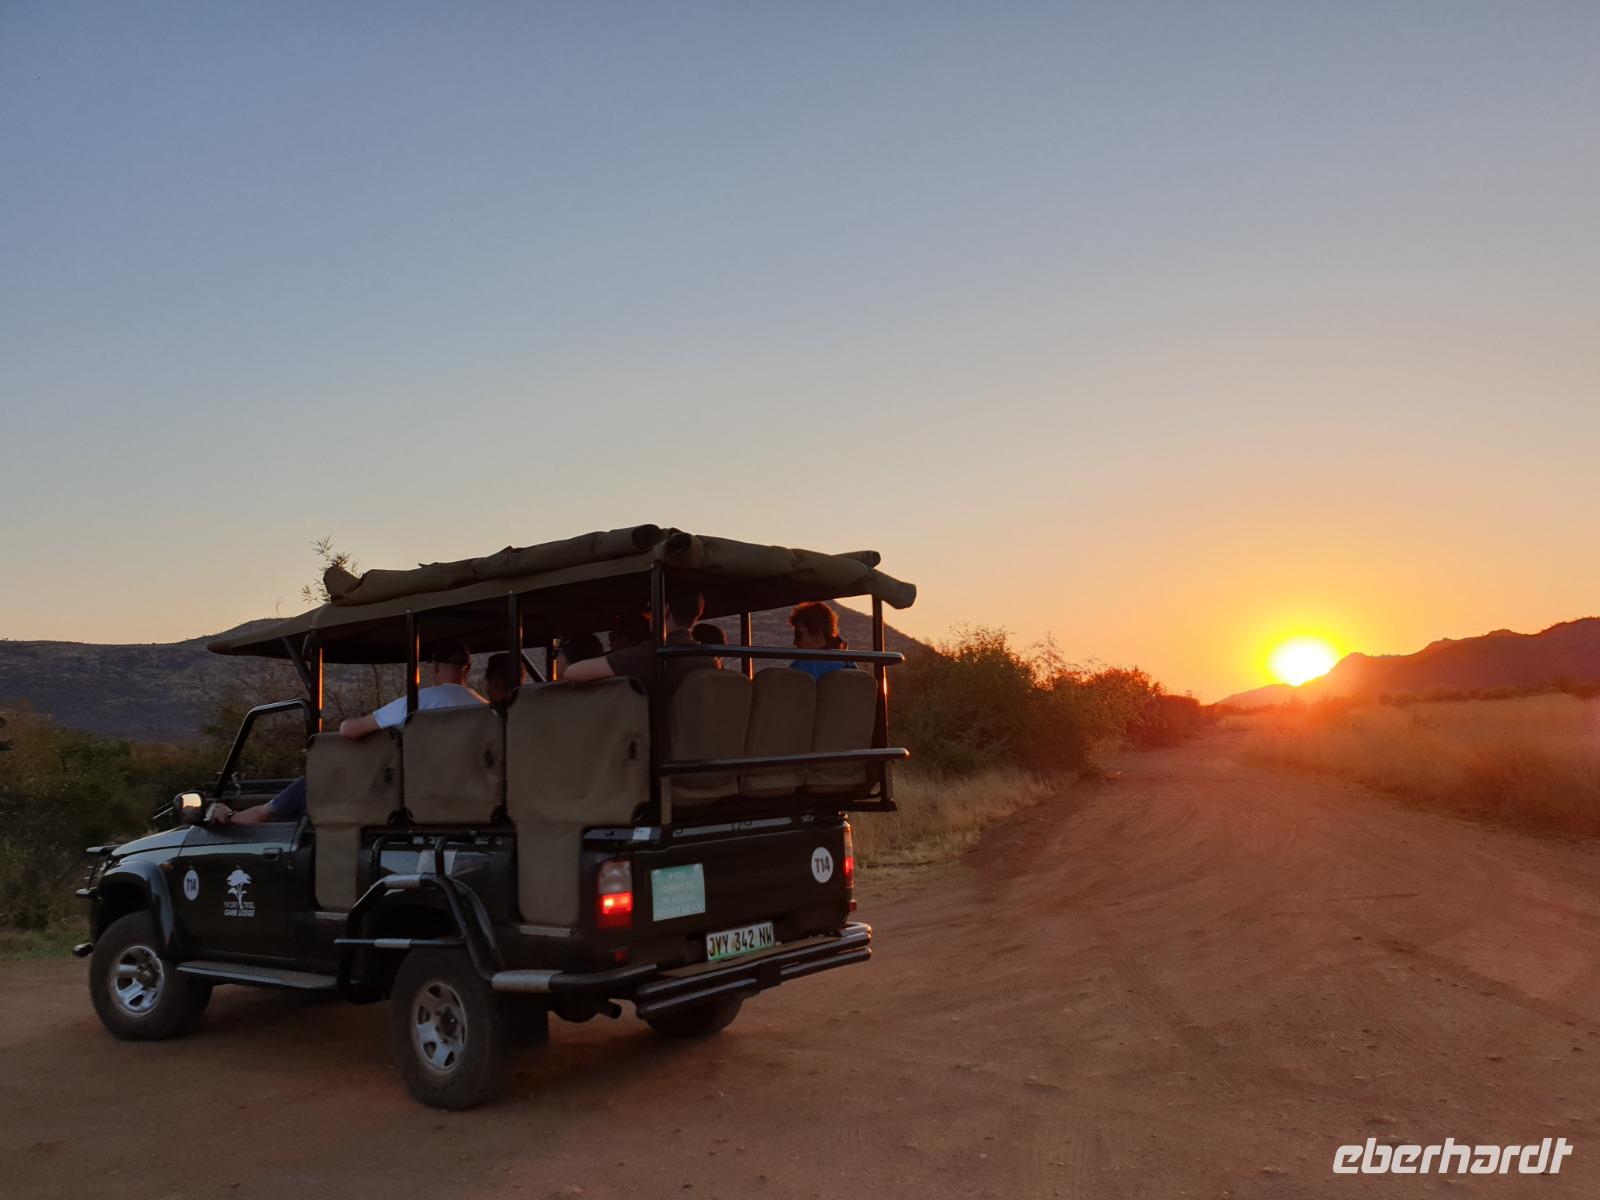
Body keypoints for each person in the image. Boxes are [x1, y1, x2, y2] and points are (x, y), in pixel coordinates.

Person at [213, 640, 486, 826]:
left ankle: (233, 819)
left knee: (308, 787)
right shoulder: (486, 709)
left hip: (406, 794)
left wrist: (352, 721)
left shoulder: (421, 701)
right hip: (467, 797)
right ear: (468, 668)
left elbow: (352, 731)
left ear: (434, 667)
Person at [562, 586, 714, 696]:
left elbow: (573, 672)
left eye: (651, 610)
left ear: (665, 610)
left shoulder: (652, 654)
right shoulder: (710, 659)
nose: (649, 616)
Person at [787, 601, 856, 680]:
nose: (795, 642)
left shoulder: (802, 667)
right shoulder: (850, 667)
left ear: (818, 636)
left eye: (798, 634)